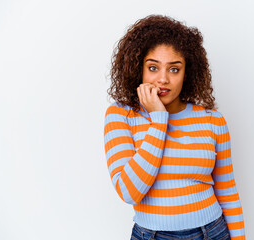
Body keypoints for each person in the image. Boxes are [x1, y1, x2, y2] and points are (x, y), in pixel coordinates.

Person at [104, 14, 246, 240]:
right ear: (137, 68)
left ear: (186, 73)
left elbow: (227, 190)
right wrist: (159, 118)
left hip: (211, 233)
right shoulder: (121, 115)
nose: (163, 79)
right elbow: (130, 191)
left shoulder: (213, 120)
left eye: (174, 69)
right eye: (153, 68)